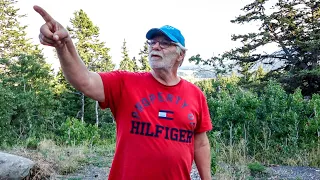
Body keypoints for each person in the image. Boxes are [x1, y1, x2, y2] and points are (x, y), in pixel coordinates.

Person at [34, 5, 213, 180]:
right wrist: (64, 45)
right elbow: (84, 80)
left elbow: (201, 142)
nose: (156, 46)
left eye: (165, 43)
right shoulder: (125, 83)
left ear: (181, 55)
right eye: (153, 42)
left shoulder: (195, 94)